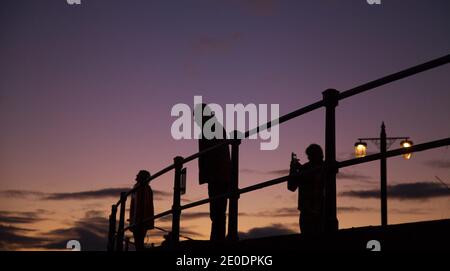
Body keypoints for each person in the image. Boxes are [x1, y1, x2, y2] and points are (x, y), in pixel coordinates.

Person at [194, 103, 231, 242]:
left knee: (217, 211)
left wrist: (210, 175)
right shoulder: (213, 127)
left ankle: (217, 240)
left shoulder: (211, 128)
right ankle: (217, 239)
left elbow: (215, 155)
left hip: (217, 176)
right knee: (218, 212)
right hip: (218, 176)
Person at [288, 144, 325, 235]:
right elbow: (291, 187)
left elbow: (291, 187)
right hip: (311, 211)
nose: (309, 158)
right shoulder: (306, 168)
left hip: (315, 211)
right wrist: (294, 169)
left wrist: (296, 169)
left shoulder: (323, 167)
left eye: (311, 156)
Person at [129, 170, 154, 250]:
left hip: (139, 219)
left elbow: (141, 204)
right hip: (140, 219)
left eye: (138, 175)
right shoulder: (141, 188)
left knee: (138, 241)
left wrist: (135, 219)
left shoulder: (139, 187)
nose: (136, 176)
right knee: (139, 241)